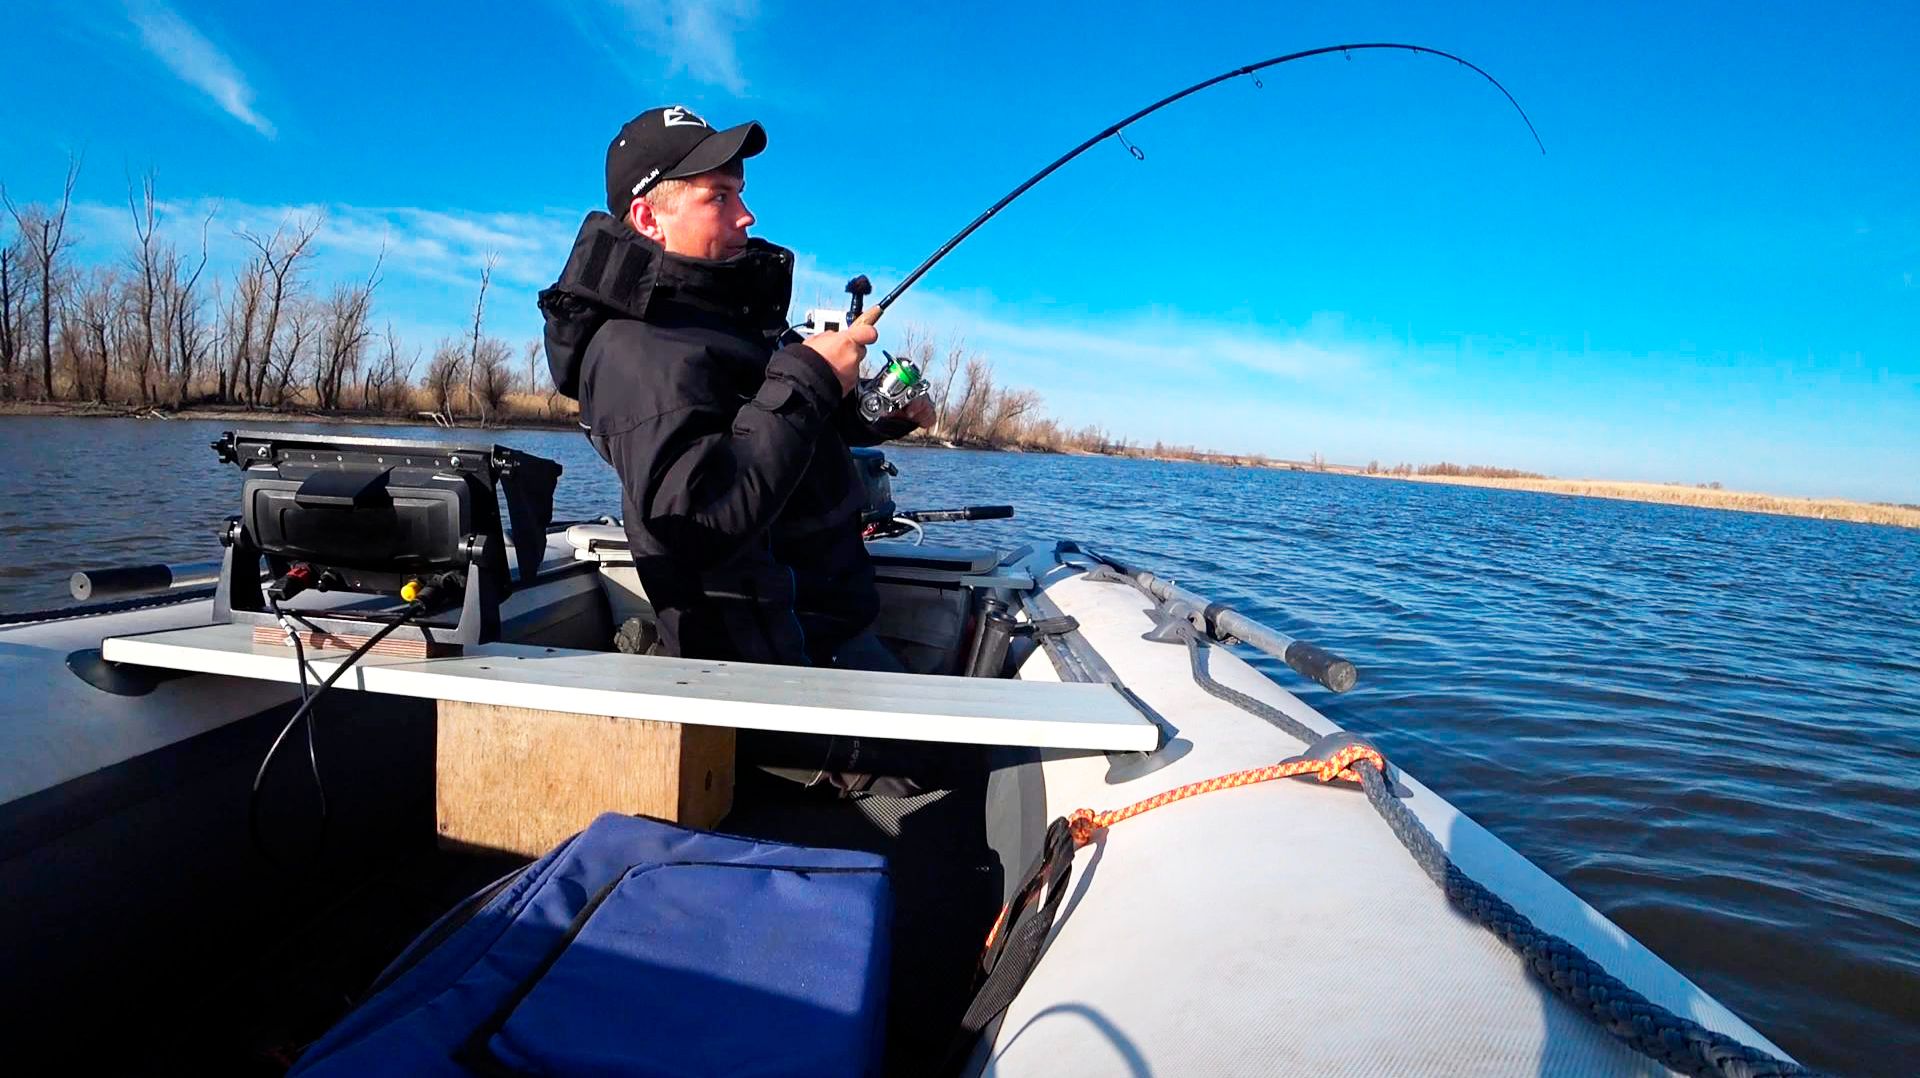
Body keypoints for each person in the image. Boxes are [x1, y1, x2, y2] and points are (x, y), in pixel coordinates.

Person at [539, 105, 932, 673]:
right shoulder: (635, 349)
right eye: (718, 197)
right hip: (769, 670)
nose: (746, 216)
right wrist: (812, 376)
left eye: (740, 194)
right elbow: (696, 516)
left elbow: (774, 431)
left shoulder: (720, 323)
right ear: (648, 218)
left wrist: (875, 414)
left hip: (826, 632)